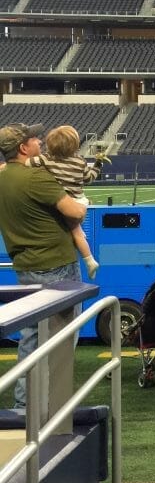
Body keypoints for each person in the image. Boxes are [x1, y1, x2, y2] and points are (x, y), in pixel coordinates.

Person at [0, 122, 87, 412]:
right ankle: (52, 405)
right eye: (35, 138)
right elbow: (75, 211)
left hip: (25, 263)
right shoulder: (35, 177)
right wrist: (82, 202)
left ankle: (25, 405)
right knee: (62, 337)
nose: (40, 142)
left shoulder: (4, 177)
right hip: (56, 265)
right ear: (24, 148)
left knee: (31, 336)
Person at [27, 123, 106, 278]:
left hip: (63, 202)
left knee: (76, 232)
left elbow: (25, 164)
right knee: (78, 233)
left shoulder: (46, 159)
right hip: (78, 200)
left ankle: (90, 261)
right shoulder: (80, 161)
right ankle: (89, 259)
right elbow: (89, 178)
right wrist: (98, 165)